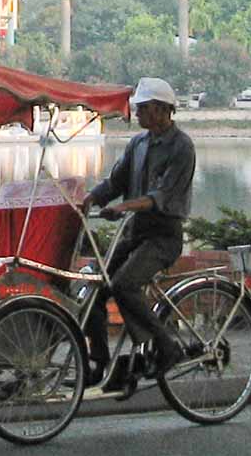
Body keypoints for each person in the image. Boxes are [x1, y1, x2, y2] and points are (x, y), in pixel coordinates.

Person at [82, 77, 196, 385]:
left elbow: (162, 196)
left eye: (144, 109)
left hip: (163, 236)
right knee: (94, 285)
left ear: (162, 110)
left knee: (124, 285)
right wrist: (91, 198)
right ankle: (99, 362)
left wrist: (124, 207)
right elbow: (116, 182)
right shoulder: (139, 144)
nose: (139, 115)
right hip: (134, 233)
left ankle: (164, 345)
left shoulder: (181, 146)